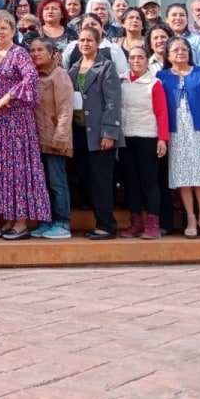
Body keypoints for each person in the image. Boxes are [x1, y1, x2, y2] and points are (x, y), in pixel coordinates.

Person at [0, 11, 49, 240]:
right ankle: (8, 219)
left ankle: (21, 222)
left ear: (12, 32)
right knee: (1, 169)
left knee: (17, 169)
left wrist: (9, 96)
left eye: (4, 28)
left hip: (15, 121)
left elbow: (31, 78)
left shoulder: (18, 53)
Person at [157, 37, 200, 239]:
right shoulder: (162, 76)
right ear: (168, 55)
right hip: (176, 131)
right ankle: (190, 217)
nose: (180, 52)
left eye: (184, 49)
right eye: (176, 50)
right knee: (183, 174)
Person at [70, 26, 124, 239]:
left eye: (89, 40)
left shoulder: (106, 66)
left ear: (98, 43)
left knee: (101, 181)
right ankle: (98, 222)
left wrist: (109, 132)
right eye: (82, 40)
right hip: (79, 132)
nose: (85, 44)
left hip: (99, 134)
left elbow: (113, 102)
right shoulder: (74, 68)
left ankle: (107, 226)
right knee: (87, 179)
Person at [118, 45, 169, 239]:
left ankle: (153, 224)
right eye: (132, 57)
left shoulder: (154, 83)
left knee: (149, 181)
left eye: (140, 57)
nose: (136, 61)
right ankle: (136, 223)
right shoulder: (121, 81)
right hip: (126, 138)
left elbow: (162, 112)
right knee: (132, 182)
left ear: (147, 61)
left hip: (148, 137)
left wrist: (162, 139)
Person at [28, 37, 73, 239]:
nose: (36, 53)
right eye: (32, 50)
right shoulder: (32, 75)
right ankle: (46, 221)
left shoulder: (59, 75)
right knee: (42, 184)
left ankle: (62, 222)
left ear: (51, 53)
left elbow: (65, 108)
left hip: (55, 139)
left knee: (57, 183)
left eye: (40, 50)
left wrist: (61, 137)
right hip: (37, 139)